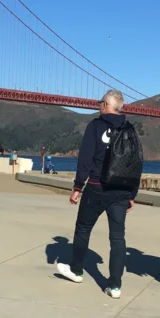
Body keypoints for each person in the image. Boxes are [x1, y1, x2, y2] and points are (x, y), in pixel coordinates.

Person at [56, 89, 137, 299]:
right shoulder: (130, 129)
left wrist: (77, 187)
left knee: (83, 228)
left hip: (96, 185)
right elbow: (136, 163)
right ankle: (115, 286)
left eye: (100, 102)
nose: (98, 106)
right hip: (120, 190)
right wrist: (132, 193)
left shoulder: (95, 125)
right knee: (118, 238)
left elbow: (85, 158)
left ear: (105, 105)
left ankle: (76, 270)